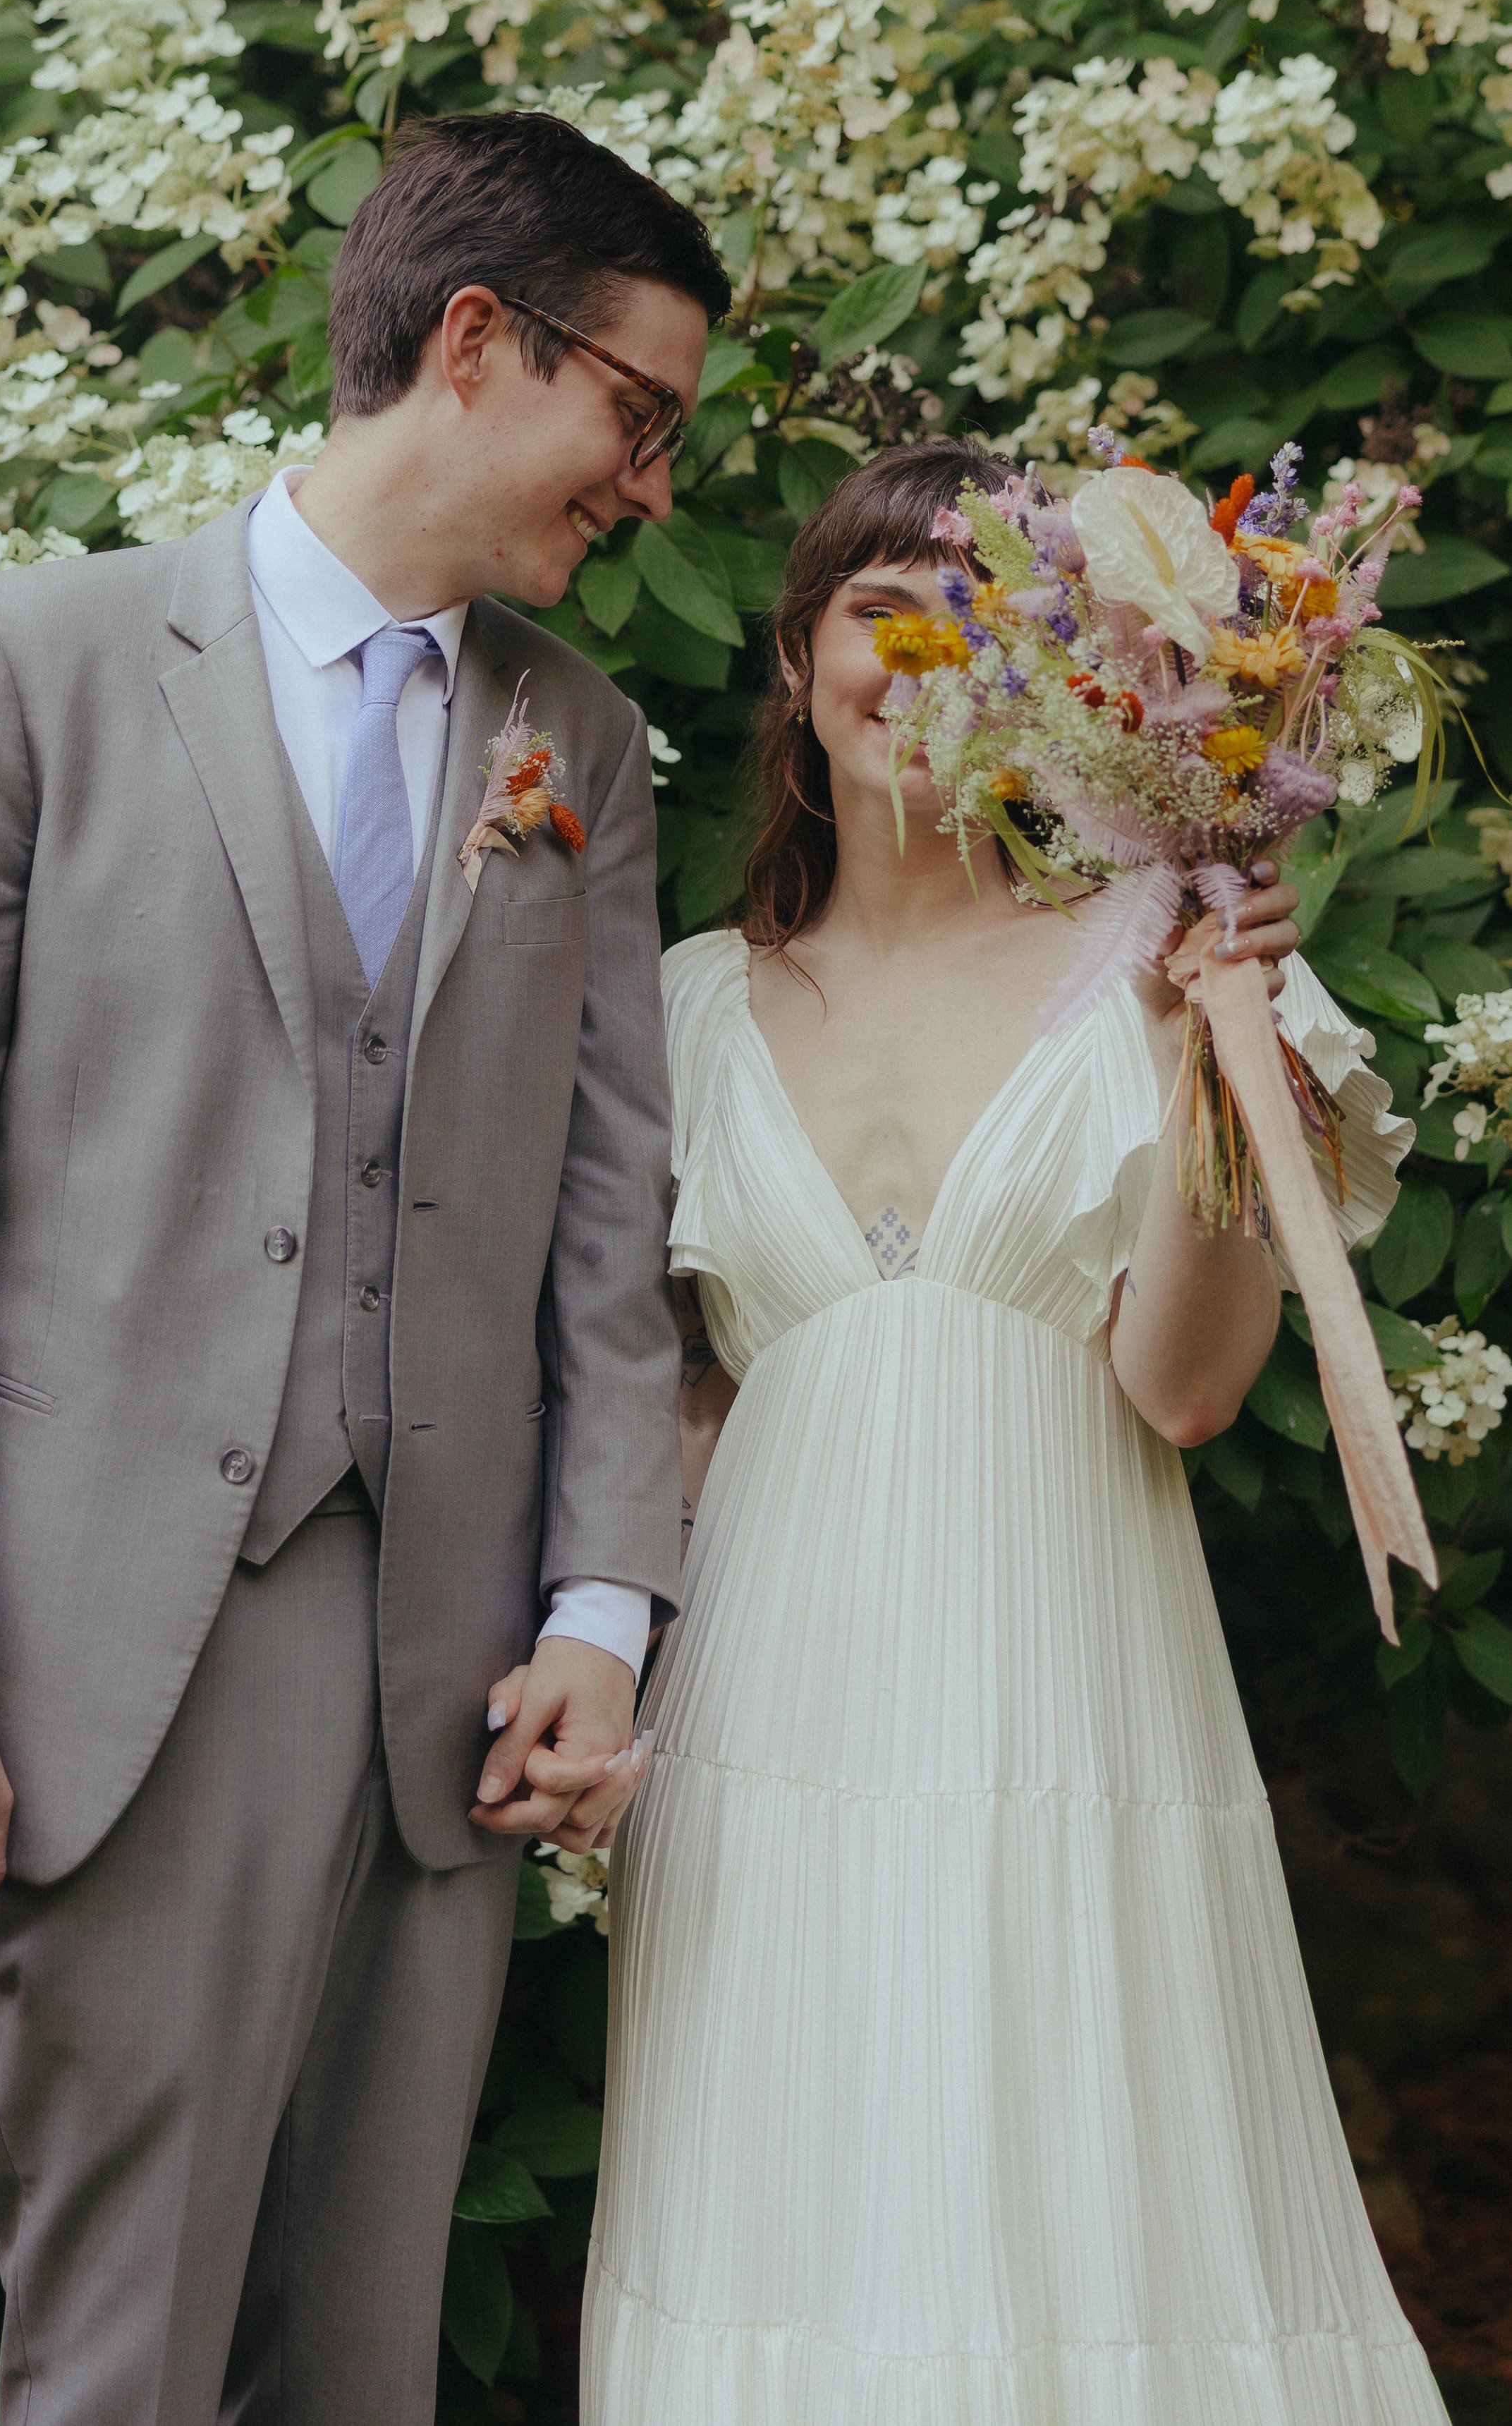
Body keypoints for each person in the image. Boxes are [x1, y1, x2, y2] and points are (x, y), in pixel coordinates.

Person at [0, 109, 731, 2426]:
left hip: (450, 1690)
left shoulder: (580, 748)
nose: (653, 488)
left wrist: (602, 1621)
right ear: (478, 342)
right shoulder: (24, 663)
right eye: (640, 415)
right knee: (115, 2370)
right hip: (99, 1670)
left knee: (364, 2369)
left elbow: (612, 1224)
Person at [580, 437, 1449, 2421]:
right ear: (797, 656)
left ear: (1073, 683)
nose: (931, 653)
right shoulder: (679, 1006)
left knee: (1088, 2186)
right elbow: (659, 1393)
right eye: (889, 608)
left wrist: (1214, 1058)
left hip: (1067, 1684)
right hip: (771, 1713)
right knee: (790, 2209)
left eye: (994, 616)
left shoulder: (1150, 973)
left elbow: (1187, 1385)